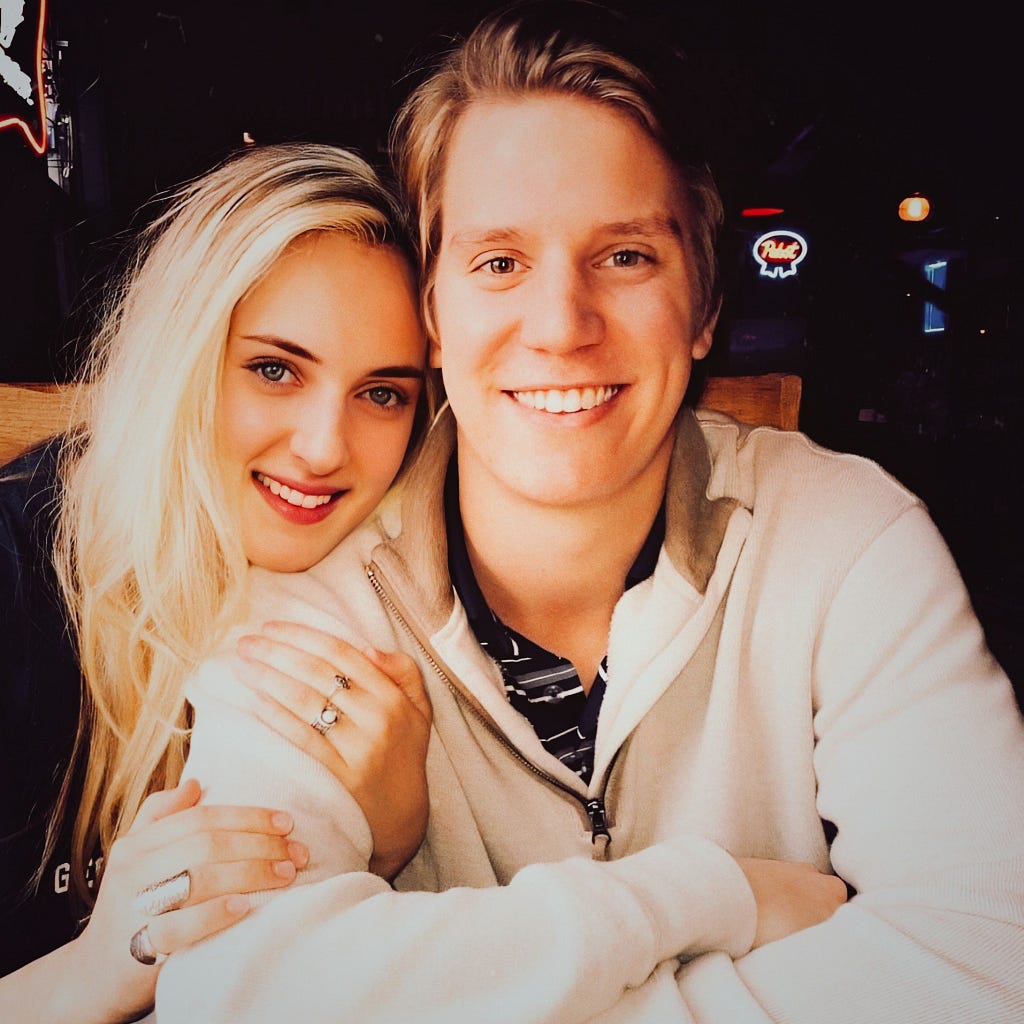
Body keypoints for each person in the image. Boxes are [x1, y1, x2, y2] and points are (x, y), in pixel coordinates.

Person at [157, 3, 1024, 1022]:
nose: (561, 326)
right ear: (432, 314)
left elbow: (986, 961)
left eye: (624, 256)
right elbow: (235, 991)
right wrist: (710, 896)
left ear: (703, 307)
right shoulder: (318, 587)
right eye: (498, 261)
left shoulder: (844, 538)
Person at [0, 141, 433, 1022]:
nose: (324, 447)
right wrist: (96, 969)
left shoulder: (382, 585)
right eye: (275, 369)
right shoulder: (18, 580)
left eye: (383, 393)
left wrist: (391, 839)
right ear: (181, 354)